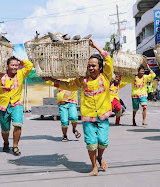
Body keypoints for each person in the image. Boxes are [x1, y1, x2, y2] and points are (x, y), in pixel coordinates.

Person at [43, 39, 112, 176]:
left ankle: (100, 157)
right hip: (88, 117)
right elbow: (67, 86)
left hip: (103, 115)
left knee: (103, 142)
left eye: (94, 66)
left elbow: (108, 59)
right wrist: (51, 80)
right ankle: (94, 166)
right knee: (91, 143)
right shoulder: (82, 80)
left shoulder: (106, 76)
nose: (91, 68)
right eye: (89, 66)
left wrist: (95, 46)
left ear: (100, 67)